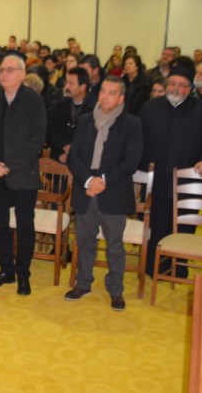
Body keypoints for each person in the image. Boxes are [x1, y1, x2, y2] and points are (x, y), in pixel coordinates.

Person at [65, 76, 143, 311]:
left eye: (112, 93)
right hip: (86, 191)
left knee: (114, 247)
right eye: (103, 92)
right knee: (84, 242)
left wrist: (103, 181)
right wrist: (89, 180)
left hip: (114, 193)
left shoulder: (131, 124)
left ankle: (116, 290)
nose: (105, 97)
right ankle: (83, 283)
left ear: (121, 98)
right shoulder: (85, 120)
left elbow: (131, 161)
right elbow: (74, 156)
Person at [0, 54, 46, 296]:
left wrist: (7, 166)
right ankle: (6, 270)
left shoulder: (34, 101)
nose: (4, 74)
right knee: (0, 225)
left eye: (10, 70)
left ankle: (23, 273)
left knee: (24, 226)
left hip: (22, 174)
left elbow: (36, 139)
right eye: (1, 70)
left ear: (23, 74)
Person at [139, 64, 202, 278]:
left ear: (190, 88)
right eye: (172, 84)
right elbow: (137, 138)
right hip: (157, 178)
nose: (175, 88)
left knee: (183, 226)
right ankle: (153, 267)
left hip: (187, 181)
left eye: (182, 85)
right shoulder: (150, 108)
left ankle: (178, 267)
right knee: (156, 225)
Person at [48, 68, 92, 164]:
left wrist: (73, 152)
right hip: (59, 155)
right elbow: (50, 132)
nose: (66, 87)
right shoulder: (59, 105)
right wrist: (64, 146)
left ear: (83, 87)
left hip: (83, 160)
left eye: (71, 84)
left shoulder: (93, 109)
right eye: (66, 82)